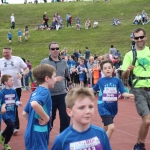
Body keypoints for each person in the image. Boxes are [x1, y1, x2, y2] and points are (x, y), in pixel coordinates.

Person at [122, 28, 150, 150]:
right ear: (133, 39)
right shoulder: (129, 55)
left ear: (146, 37)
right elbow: (124, 76)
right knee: (147, 120)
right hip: (139, 90)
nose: (139, 40)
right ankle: (139, 144)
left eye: (141, 37)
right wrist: (128, 70)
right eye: (136, 38)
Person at [93, 60, 134, 139]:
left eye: (109, 68)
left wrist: (128, 95)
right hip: (103, 106)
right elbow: (93, 90)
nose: (107, 69)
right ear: (102, 71)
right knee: (111, 127)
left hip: (113, 107)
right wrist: (81, 92)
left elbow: (123, 92)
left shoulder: (117, 81)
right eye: (105, 68)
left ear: (113, 69)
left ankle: (97, 140)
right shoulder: (101, 81)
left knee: (105, 127)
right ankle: (104, 146)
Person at [22, 64, 56, 150]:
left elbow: (25, 113)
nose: (56, 80)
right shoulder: (45, 91)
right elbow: (34, 104)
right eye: (54, 77)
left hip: (32, 131)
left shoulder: (35, 92)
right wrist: (46, 118)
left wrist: (33, 121)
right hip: (38, 133)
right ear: (47, 78)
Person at [40, 42, 71, 133]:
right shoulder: (44, 62)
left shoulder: (64, 62)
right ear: (49, 50)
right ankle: (45, 136)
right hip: (49, 95)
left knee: (66, 117)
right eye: (53, 49)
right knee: (49, 117)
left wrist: (70, 84)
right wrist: (54, 79)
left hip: (62, 94)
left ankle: (63, 138)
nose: (55, 50)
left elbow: (66, 74)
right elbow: (40, 77)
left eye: (57, 48)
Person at [0, 47, 29, 134]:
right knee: (3, 106)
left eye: (7, 52)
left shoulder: (17, 59)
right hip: (4, 88)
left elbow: (26, 69)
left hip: (16, 87)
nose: (5, 54)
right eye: (4, 52)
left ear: (11, 52)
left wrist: (22, 74)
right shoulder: (0, 61)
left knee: (13, 106)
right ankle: (6, 126)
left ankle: (14, 126)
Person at [0, 74, 22, 150]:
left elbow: (15, 100)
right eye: (11, 80)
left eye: (13, 80)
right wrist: (2, 107)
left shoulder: (14, 90)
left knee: (11, 128)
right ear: (5, 82)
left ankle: (4, 140)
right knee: (11, 125)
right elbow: (1, 103)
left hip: (13, 112)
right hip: (5, 113)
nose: (13, 81)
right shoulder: (2, 92)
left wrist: (18, 103)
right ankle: (4, 139)